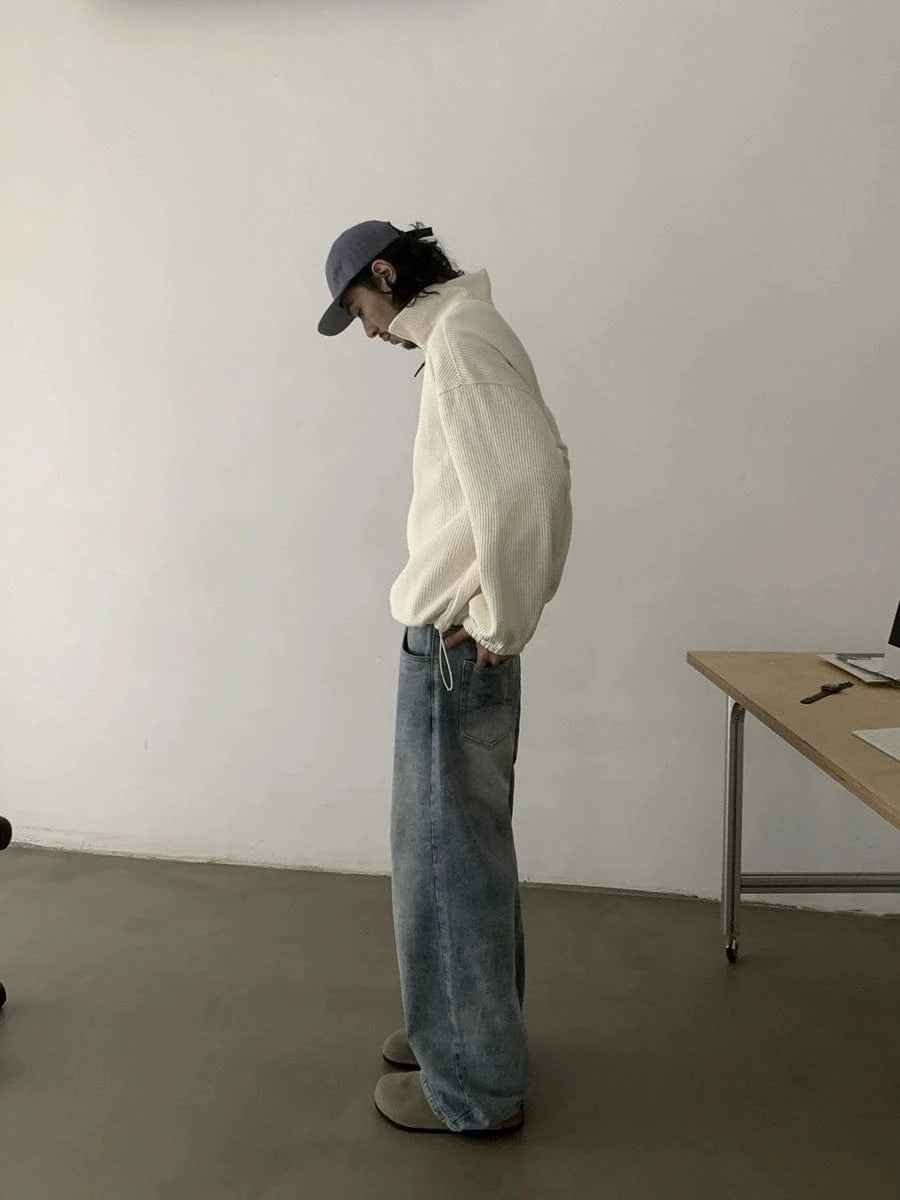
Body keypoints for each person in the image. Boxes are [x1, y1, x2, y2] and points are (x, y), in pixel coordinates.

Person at [318, 221, 573, 1135]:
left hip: (457, 644)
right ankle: (470, 1035)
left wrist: (502, 616)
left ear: (386, 274)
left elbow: (532, 480)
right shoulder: (469, 331)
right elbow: (525, 475)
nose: (368, 330)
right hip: (463, 639)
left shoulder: (460, 342)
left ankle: (470, 1083)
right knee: (464, 847)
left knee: (445, 856)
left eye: (361, 308)